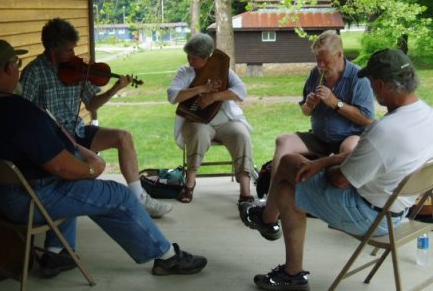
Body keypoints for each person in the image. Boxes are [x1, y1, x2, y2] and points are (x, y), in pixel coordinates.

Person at [0, 39, 207, 278]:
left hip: (2, 196)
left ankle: (58, 252)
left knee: (79, 188)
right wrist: (93, 168)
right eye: (16, 63)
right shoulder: (17, 111)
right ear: (8, 68)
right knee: (116, 195)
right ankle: (167, 257)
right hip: (32, 199)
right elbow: (61, 167)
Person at [240, 49, 433, 290]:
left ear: (382, 85)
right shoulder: (427, 114)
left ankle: (269, 223)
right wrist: (321, 162)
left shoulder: (384, 131)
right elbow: (361, 156)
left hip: (372, 217)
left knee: (290, 165)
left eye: (372, 82)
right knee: (290, 184)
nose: (371, 88)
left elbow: (339, 181)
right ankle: (289, 265)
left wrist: (322, 169)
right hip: (400, 211)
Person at [20, 18, 171, 218]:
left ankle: (139, 197)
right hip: (54, 141)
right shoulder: (33, 73)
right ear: (52, 49)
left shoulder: (76, 69)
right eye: (69, 50)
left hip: (76, 131)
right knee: (84, 171)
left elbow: (92, 104)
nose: (74, 54)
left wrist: (115, 88)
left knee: (123, 137)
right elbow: (22, 112)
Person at [270, 30, 375, 180]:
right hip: (318, 138)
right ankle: (273, 195)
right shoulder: (316, 73)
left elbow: (367, 119)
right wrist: (309, 105)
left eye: (325, 61)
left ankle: (338, 198)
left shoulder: (358, 78)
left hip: (348, 137)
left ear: (339, 55)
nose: (320, 65)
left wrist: (335, 103)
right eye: (318, 60)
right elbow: (305, 111)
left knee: (350, 149)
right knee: (283, 141)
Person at [167, 33, 254, 206]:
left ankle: (245, 191)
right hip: (197, 121)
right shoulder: (185, 72)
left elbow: (241, 92)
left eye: (195, 57)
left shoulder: (223, 72)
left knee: (241, 134)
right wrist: (201, 89)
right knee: (198, 132)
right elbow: (172, 96)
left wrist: (214, 96)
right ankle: (189, 184)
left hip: (226, 121)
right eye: (188, 56)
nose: (190, 60)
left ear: (206, 57)